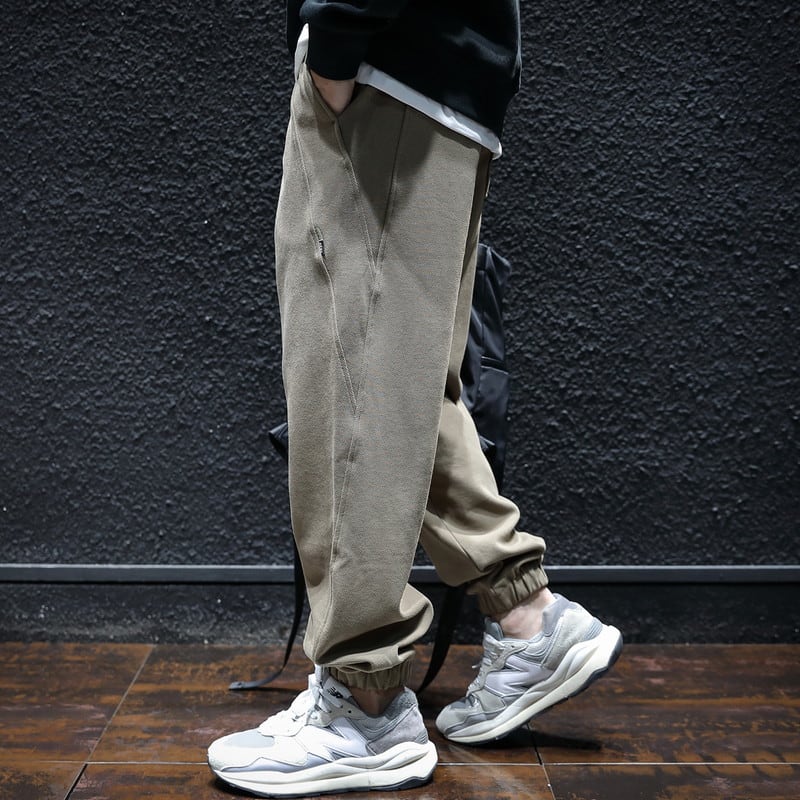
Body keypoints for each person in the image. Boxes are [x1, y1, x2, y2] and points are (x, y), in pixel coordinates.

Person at [208, 1, 622, 796]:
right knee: (395, 380)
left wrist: (336, 40)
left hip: (383, 65)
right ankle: (527, 618)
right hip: (436, 69)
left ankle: (364, 705)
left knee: (350, 380)